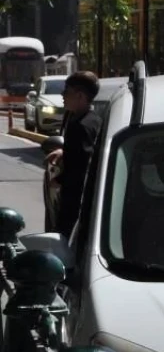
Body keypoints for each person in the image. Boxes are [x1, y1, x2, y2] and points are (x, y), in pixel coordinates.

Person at [46, 71, 102, 237]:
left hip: (77, 201)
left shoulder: (83, 126)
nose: (63, 95)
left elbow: (83, 166)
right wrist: (64, 151)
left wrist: (59, 180)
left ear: (80, 96)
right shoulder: (87, 119)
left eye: (67, 91)